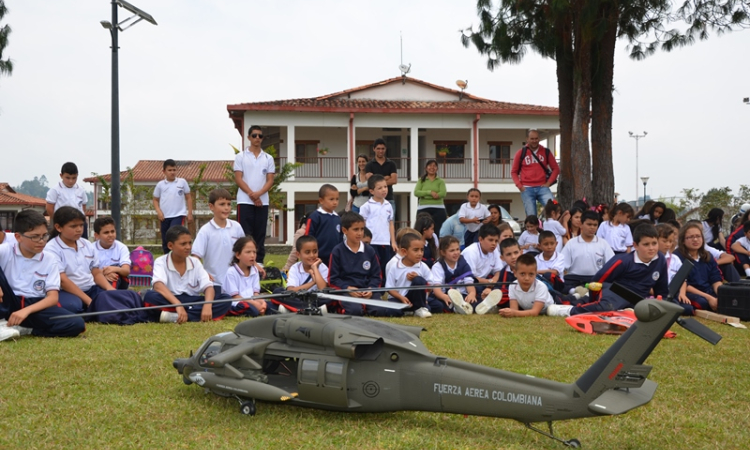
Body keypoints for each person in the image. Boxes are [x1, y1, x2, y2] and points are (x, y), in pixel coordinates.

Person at [547, 224, 669, 317]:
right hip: (616, 292)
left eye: (654, 243)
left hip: (637, 300)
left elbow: (662, 290)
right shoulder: (623, 261)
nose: (652, 248)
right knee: (607, 307)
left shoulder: (660, 260)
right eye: (646, 244)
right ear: (635, 245)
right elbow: (598, 280)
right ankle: (568, 310)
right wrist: (593, 298)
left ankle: (578, 297)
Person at [0, 210, 85, 342]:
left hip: (35, 306)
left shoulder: (50, 259)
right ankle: (2, 324)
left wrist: (26, 311)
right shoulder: (5, 250)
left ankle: (26, 329)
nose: (41, 241)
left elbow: (52, 298)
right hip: (8, 300)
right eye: (35, 236)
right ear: (18, 237)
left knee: (76, 323)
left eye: (44, 235)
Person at [143, 226, 231, 323]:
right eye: (183, 244)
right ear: (170, 246)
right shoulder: (161, 261)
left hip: (191, 300)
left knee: (225, 299)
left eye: (190, 243)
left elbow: (208, 286)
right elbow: (158, 286)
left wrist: (207, 305)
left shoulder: (195, 262)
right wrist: (178, 305)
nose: (188, 247)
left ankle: (173, 317)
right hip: (170, 300)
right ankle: (192, 314)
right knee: (150, 296)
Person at [45, 207, 115, 314]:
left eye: (81, 225)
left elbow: (96, 273)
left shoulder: (86, 244)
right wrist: (89, 301)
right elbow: (63, 281)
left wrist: (110, 290)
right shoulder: (51, 248)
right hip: (66, 291)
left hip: (91, 288)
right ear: (58, 227)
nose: (79, 229)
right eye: (73, 226)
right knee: (73, 306)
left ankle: (93, 308)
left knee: (112, 298)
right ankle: (90, 308)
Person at [191, 188, 246, 297]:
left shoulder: (237, 227)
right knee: (223, 302)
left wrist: (254, 264)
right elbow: (195, 258)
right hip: (214, 284)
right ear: (211, 207)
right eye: (222, 204)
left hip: (236, 281)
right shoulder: (205, 231)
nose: (226, 208)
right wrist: (204, 273)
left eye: (229, 204)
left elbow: (245, 251)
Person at [234, 125, 276, 264]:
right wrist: (252, 195)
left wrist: (259, 194)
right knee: (245, 233)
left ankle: (259, 263)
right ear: (248, 137)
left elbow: (270, 180)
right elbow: (238, 178)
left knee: (260, 233)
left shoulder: (268, 158)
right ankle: (243, 262)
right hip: (245, 201)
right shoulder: (240, 156)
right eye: (254, 135)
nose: (257, 138)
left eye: (260, 136)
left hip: (262, 201)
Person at [328, 211, 381, 316]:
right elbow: (332, 279)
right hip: (346, 291)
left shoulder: (370, 250)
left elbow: (377, 276)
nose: (360, 233)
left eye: (362, 229)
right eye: (356, 229)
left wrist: (370, 289)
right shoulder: (337, 251)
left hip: (367, 291)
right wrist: (347, 288)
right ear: (345, 230)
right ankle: (342, 307)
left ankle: (366, 306)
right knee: (355, 311)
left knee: (384, 310)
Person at [380, 233, 435, 318]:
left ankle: (419, 308)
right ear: (404, 252)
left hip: (416, 300)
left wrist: (419, 278)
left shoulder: (423, 266)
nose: (420, 253)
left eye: (422, 250)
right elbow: (390, 288)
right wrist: (401, 298)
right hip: (399, 298)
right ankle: (409, 310)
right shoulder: (395, 266)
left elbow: (430, 287)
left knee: (419, 281)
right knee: (392, 311)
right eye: (416, 250)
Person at [560, 210, 614, 293]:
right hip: (575, 280)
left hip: (595, 280)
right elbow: (561, 266)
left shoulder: (603, 243)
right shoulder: (571, 243)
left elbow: (611, 265)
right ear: (581, 224)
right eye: (589, 224)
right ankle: (575, 292)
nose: (592, 227)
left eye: (595, 225)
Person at [673, 222, 722, 313]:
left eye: (698, 236)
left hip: (708, 290)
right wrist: (709, 298)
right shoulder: (677, 257)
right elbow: (683, 283)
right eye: (691, 237)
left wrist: (722, 294)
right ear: (683, 240)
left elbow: (715, 279)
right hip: (691, 292)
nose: (695, 240)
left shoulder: (707, 255)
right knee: (702, 303)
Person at [454, 223, 503, 314]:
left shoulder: (495, 250)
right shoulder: (471, 252)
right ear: (480, 239)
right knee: (477, 294)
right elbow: (471, 278)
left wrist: (490, 286)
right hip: (468, 284)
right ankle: (479, 305)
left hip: (485, 283)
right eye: (490, 240)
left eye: (496, 241)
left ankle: (485, 303)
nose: (494, 244)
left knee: (502, 286)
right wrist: (489, 283)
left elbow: (497, 272)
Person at [511, 129, 560, 217]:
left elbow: (556, 169)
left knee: (554, 209)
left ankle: (552, 229)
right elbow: (514, 172)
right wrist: (520, 186)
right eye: (532, 138)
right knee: (531, 216)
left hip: (542, 187)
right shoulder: (521, 153)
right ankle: (534, 230)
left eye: (536, 138)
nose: (534, 141)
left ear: (539, 139)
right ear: (527, 139)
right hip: (526, 188)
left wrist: (548, 183)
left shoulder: (546, 151)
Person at [359, 175, 397, 283]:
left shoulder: (388, 205)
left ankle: (385, 290)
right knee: (374, 267)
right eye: (379, 188)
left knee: (386, 266)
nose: (384, 190)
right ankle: (374, 287)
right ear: (371, 191)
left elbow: (391, 224)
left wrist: (393, 242)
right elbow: (363, 225)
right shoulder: (366, 206)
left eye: (385, 187)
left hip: (385, 242)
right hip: (372, 242)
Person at [153, 159, 193, 254]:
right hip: (165, 216)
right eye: (170, 170)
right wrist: (159, 212)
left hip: (178, 214)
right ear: (164, 171)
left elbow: (188, 197)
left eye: (174, 170)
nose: (172, 172)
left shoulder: (182, 182)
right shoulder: (160, 185)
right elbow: (155, 200)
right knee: (165, 238)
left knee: (175, 235)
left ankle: (177, 256)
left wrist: (190, 213)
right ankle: (166, 259)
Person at [428, 236, 476, 314]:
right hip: (445, 295)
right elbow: (437, 289)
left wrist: (472, 294)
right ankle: (456, 308)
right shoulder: (437, 267)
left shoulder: (463, 264)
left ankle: (460, 307)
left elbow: (469, 282)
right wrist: (444, 297)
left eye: (457, 249)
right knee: (439, 305)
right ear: (443, 252)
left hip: (462, 295)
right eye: (452, 250)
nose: (456, 253)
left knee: (473, 301)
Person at [499, 253, 555, 318]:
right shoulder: (512, 286)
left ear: (536, 274)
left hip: (548, 308)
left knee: (552, 310)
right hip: (527, 309)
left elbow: (535, 312)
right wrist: (509, 312)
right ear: (515, 273)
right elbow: (514, 309)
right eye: (522, 274)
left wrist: (514, 313)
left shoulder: (541, 286)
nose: (527, 278)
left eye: (531, 274)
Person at [223, 237, 267, 317]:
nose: (252, 255)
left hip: (251, 301)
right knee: (249, 308)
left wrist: (262, 302)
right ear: (238, 255)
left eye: (254, 252)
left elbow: (256, 294)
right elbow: (235, 297)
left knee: (268, 304)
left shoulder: (255, 271)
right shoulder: (231, 272)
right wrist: (254, 303)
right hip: (238, 303)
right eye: (248, 252)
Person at [46, 162, 89, 239]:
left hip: (79, 222)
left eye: (74, 178)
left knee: (82, 243)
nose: (71, 181)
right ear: (61, 176)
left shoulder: (81, 190)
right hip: (63, 223)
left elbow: (83, 206)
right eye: (68, 178)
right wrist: (58, 220)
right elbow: (49, 208)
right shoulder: (55, 190)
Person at [304, 184, 342, 267]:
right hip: (318, 257)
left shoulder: (338, 218)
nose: (335, 202)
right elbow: (308, 236)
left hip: (334, 256)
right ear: (321, 200)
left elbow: (340, 237)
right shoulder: (315, 216)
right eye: (331, 199)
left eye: (337, 199)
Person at [93, 216, 131, 290]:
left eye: (112, 231)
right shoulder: (90, 249)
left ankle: (111, 296)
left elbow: (126, 271)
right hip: (95, 279)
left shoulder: (121, 247)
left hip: (118, 281)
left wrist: (114, 269)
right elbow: (86, 272)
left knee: (115, 275)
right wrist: (104, 273)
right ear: (97, 235)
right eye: (106, 232)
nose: (110, 235)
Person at [365, 138, 398, 214]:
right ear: (374, 149)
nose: (381, 151)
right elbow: (371, 181)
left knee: (390, 223)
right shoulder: (369, 165)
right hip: (374, 200)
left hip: (389, 199)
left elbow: (394, 180)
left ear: (385, 149)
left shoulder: (391, 164)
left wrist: (377, 180)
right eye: (378, 149)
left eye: (383, 149)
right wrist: (386, 177)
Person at [413, 159, 447, 232]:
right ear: (426, 168)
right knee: (422, 230)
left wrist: (426, 195)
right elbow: (416, 192)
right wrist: (430, 193)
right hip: (423, 208)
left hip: (439, 208)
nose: (432, 167)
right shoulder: (421, 180)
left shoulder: (441, 181)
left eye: (434, 166)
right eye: (430, 165)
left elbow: (443, 193)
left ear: (437, 169)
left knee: (438, 230)